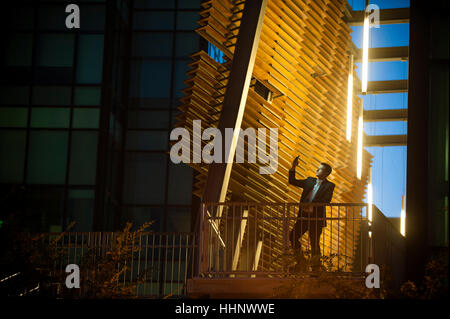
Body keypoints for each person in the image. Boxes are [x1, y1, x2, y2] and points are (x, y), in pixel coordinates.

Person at [288, 156, 335, 262]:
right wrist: (293, 167)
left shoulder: (329, 185)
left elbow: (326, 200)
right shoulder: (309, 180)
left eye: (320, 169)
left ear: (326, 173)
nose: (317, 170)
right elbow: (292, 181)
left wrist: (311, 204)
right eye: (318, 168)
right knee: (293, 236)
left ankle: (315, 267)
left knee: (314, 243)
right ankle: (301, 260)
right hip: (304, 216)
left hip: (316, 218)